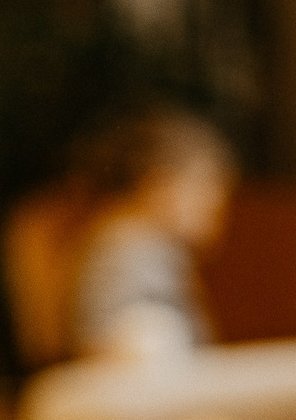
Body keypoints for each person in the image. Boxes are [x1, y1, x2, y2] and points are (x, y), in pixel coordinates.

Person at [68, 109, 235, 360]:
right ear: (160, 185)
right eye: (206, 198)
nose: (215, 215)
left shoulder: (144, 244)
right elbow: (114, 339)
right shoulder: (127, 246)